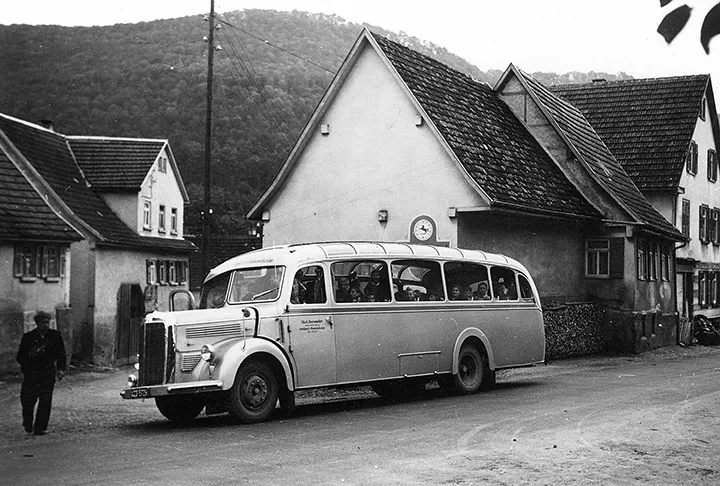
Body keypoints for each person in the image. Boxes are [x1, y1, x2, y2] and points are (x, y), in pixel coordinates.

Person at [16, 311, 66, 435]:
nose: (46, 325)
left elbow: (61, 354)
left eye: (47, 322)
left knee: (45, 401)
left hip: (48, 374)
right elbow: (20, 356)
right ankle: (27, 422)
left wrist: (60, 369)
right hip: (32, 374)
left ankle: (40, 427)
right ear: (37, 324)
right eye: (43, 323)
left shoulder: (55, 336)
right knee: (28, 401)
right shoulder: (28, 337)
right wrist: (27, 366)